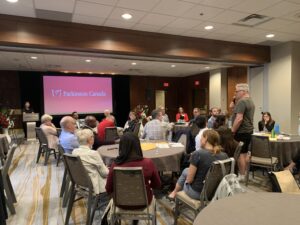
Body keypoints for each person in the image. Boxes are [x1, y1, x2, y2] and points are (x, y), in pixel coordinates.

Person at [168, 129, 228, 200]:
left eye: (201, 137)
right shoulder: (224, 155)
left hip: (198, 193)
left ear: (205, 139)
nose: (200, 140)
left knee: (185, 173)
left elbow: (189, 180)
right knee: (186, 171)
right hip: (215, 192)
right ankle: (174, 193)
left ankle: (174, 193)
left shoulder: (198, 154)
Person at [105, 133, 161, 208]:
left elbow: (108, 188)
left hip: (121, 202)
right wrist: (146, 186)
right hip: (144, 202)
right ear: (138, 145)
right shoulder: (148, 163)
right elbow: (157, 184)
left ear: (121, 146)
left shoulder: (115, 165)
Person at [73, 129, 109, 195]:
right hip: (95, 183)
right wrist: (107, 169)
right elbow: (105, 173)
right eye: (93, 136)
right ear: (90, 139)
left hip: (81, 181)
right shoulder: (93, 153)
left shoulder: (74, 151)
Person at [231, 83, 255, 181]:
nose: (235, 93)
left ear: (244, 91)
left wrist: (232, 130)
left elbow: (239, 119)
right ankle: (245, 174)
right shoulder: (251, 101)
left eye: (237, 91)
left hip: (241, 132)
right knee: (245, 153)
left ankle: (241, 175)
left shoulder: (242, 102)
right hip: (248, 131)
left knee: (240, 154)